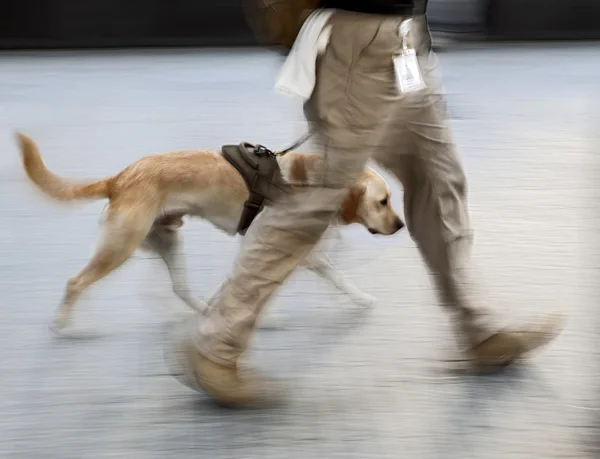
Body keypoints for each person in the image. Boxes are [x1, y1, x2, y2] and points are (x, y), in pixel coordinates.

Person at [164, 0, 564, 407]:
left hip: (407, 39)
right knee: (317, 202)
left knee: (439, 181)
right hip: (359, 41)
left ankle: (478, 328)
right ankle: (215, 347)